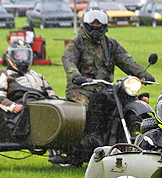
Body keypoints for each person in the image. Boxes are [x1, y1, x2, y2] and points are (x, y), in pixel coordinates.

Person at [61, 7, 155, 149]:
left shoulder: (111, 44)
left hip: (105, 88)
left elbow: (126, 61)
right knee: (93, 104)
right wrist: (76, 76)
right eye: (92, 24)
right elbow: (68, 60)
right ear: (86, 25)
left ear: (104, 26)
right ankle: (91, 136)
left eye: (98, 25)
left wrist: (143, 74)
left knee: (125, 101)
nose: (95, 27)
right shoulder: (77, 42)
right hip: (81, 89)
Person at [0, 40, 59, 140]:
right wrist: (12, 106)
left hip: (42, 105)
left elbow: (51, 94)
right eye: (19, 55)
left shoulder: (38, 75)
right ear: (10, 57)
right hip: (22, 106)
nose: (22, 58)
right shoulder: (6, 75)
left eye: (25, 55)